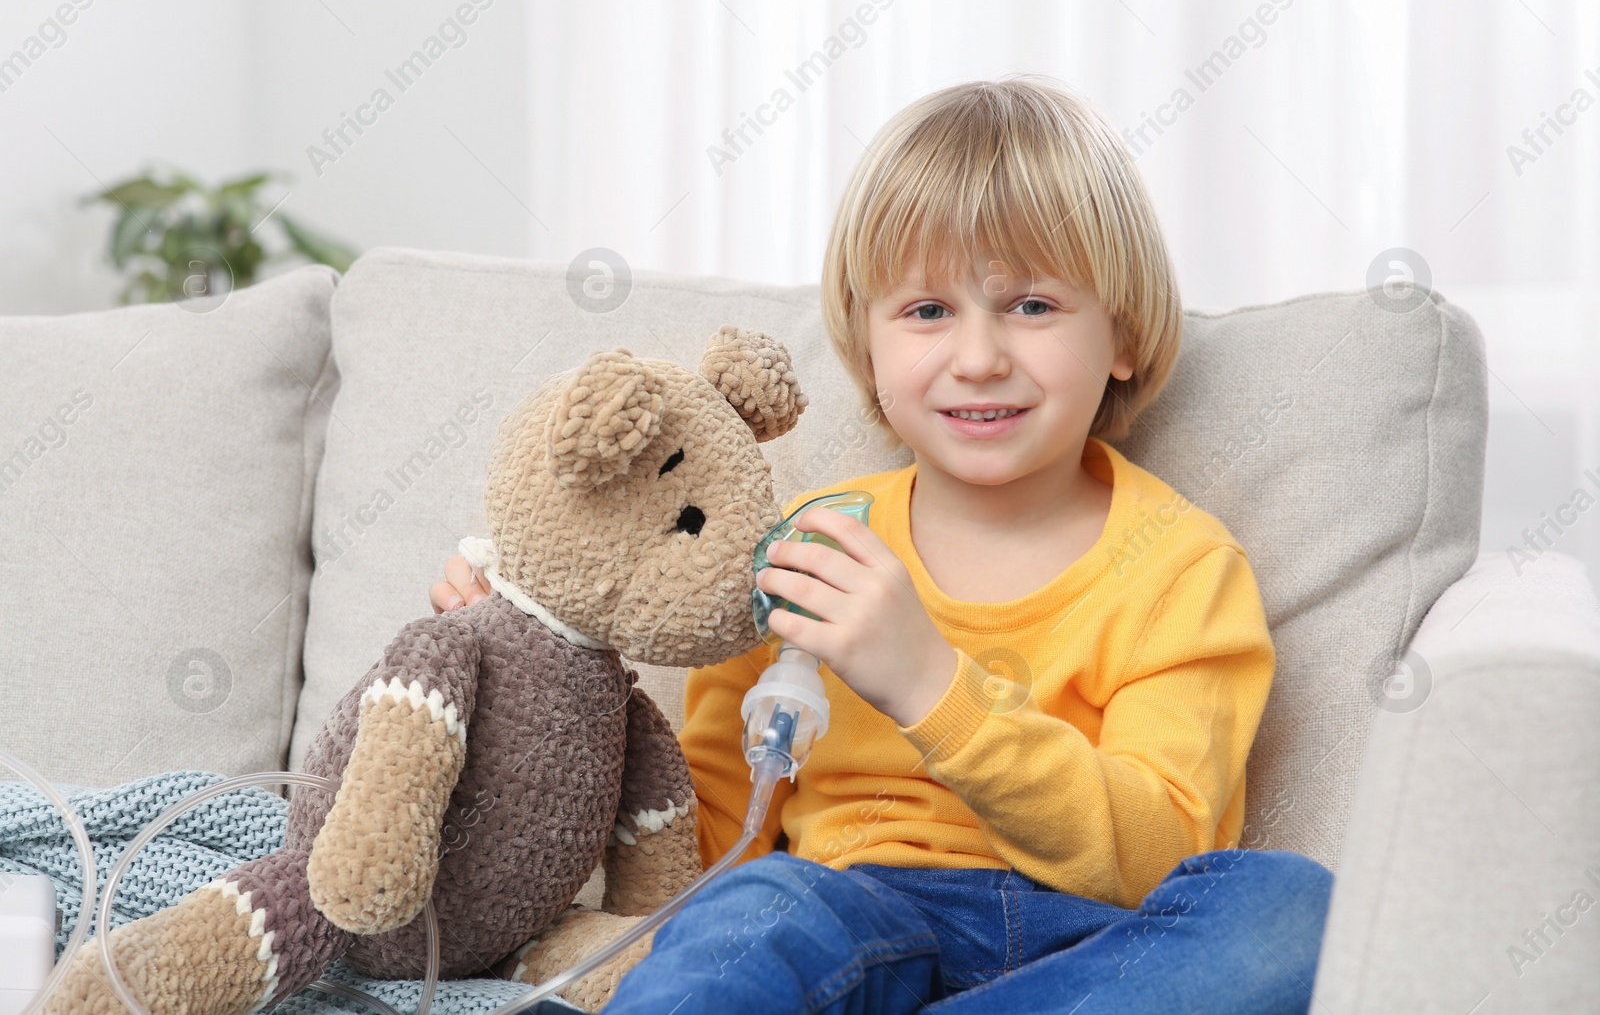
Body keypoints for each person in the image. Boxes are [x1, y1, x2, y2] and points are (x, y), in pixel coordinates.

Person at [431, 75, 1333, 1014]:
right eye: (928, 311)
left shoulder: (1182, 569)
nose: (979, 356)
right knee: (753, 907)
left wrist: (931, 687)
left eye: (1031, 305)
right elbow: (701, 845)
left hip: (1095, 941)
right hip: (844, 908)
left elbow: (1157, 851)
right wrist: (541, 673)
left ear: (1123, 335)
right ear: (867, 347)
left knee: (1291, 908)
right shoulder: (808, 544)